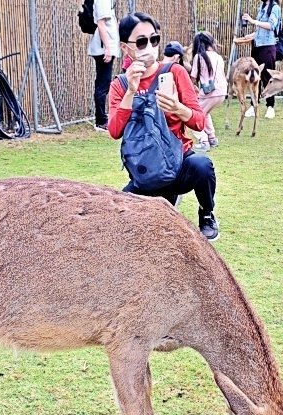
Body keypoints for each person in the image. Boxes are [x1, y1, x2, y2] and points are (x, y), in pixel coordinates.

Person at [108, 13, 219, 241]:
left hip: (178, 164)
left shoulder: (174, 72)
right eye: (141, 42)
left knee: (202, 165)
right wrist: (131, 90)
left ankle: (206, 213)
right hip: (144, 172)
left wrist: (178, 108)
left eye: (154, 39)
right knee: (121, 228)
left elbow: (198, 120)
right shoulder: (119, 85)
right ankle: (165, 197)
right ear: (125, 47)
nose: (149, 46)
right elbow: (114, 131)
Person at [234, 0, 282, 120]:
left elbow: (271, 26)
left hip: (268, 47)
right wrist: (252, 35)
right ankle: (254, 105)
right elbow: (261, 29)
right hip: (257, 46)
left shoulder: (275, 7)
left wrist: (252, 21)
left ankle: (270, 107)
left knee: (267, 77)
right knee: (255, 77)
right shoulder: (262, 6)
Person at [190, 32, 228, 150]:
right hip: (222, 91)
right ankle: (211, 138)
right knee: (205, 114)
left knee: (194, 116)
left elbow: (193, 77)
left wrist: (193, 87)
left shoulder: (199, 57)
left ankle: (203, 141)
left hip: (209, 93)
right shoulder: (218, 57)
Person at [88, 0, 119, 132]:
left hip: (106, 48)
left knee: (103, 83)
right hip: (103, 49)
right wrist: (107, 48)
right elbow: (101, 24)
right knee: (102, 85)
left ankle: (102, 117)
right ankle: (100, 121)